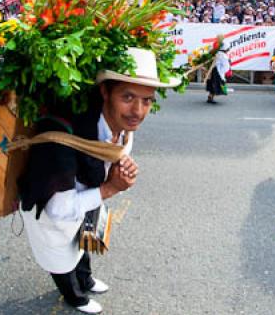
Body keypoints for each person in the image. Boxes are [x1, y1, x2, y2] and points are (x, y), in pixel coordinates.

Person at [17, 48, 179, 314]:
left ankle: (86, 280)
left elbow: (117, 150)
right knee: (61, 255)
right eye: (128, 97)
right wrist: (111, 187)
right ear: (105, 92)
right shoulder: (63, 136)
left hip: (87, 195)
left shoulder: (120, 124)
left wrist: (120, 164)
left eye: (147, 100)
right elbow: (57, 209)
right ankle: (75, 296)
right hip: (51, 207)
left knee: (84, 240)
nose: (138, 111)